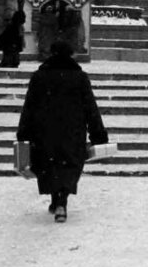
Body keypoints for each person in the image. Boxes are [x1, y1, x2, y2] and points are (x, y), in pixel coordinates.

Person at [16, 40, 109, 223]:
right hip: (72, 130)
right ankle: (62, 202)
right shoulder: (79, 77)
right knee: (68, 166)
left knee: (49, 165)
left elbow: (29, 107)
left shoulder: (39, 76)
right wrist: (98, 133)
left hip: (44, 130)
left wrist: (23, 132)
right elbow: (90, 107)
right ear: (70, 54)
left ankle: (55, 200)